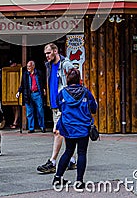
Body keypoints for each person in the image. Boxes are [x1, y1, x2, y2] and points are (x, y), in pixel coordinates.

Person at [53, 68, 97, 190]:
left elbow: (59, 107)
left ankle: (58, 177)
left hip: (68, 127)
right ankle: (79, 181)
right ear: (79, 79)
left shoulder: (62, 93)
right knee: (82, 153)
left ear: (68, 79)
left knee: (68, 151)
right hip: (83, 127)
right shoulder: (86, 92)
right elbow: (93, 108)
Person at [37, 43, 75, 174]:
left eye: (48, 53)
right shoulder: (49, 65)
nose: (47, 56)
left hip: (63, 105)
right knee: (63, 133)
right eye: (45, 54)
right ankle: (72, 160)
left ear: (55, 51)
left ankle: (52, 162)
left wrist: (69, 98)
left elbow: (76, 77)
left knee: (57, 131)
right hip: (54, 104)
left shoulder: (65, 64)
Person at [16, 60, 45, 133]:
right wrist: (19, 92)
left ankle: (42, 126)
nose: (28, 68)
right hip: (28, 94)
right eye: (27, 66)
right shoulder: (25, 74)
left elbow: (43, 82)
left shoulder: (39, 73)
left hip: (37, 93)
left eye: (29, 66)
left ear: (33, 66)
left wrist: (44, 89)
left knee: (40, 111)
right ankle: (31, 128)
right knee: (29, 112)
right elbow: (22, 85)